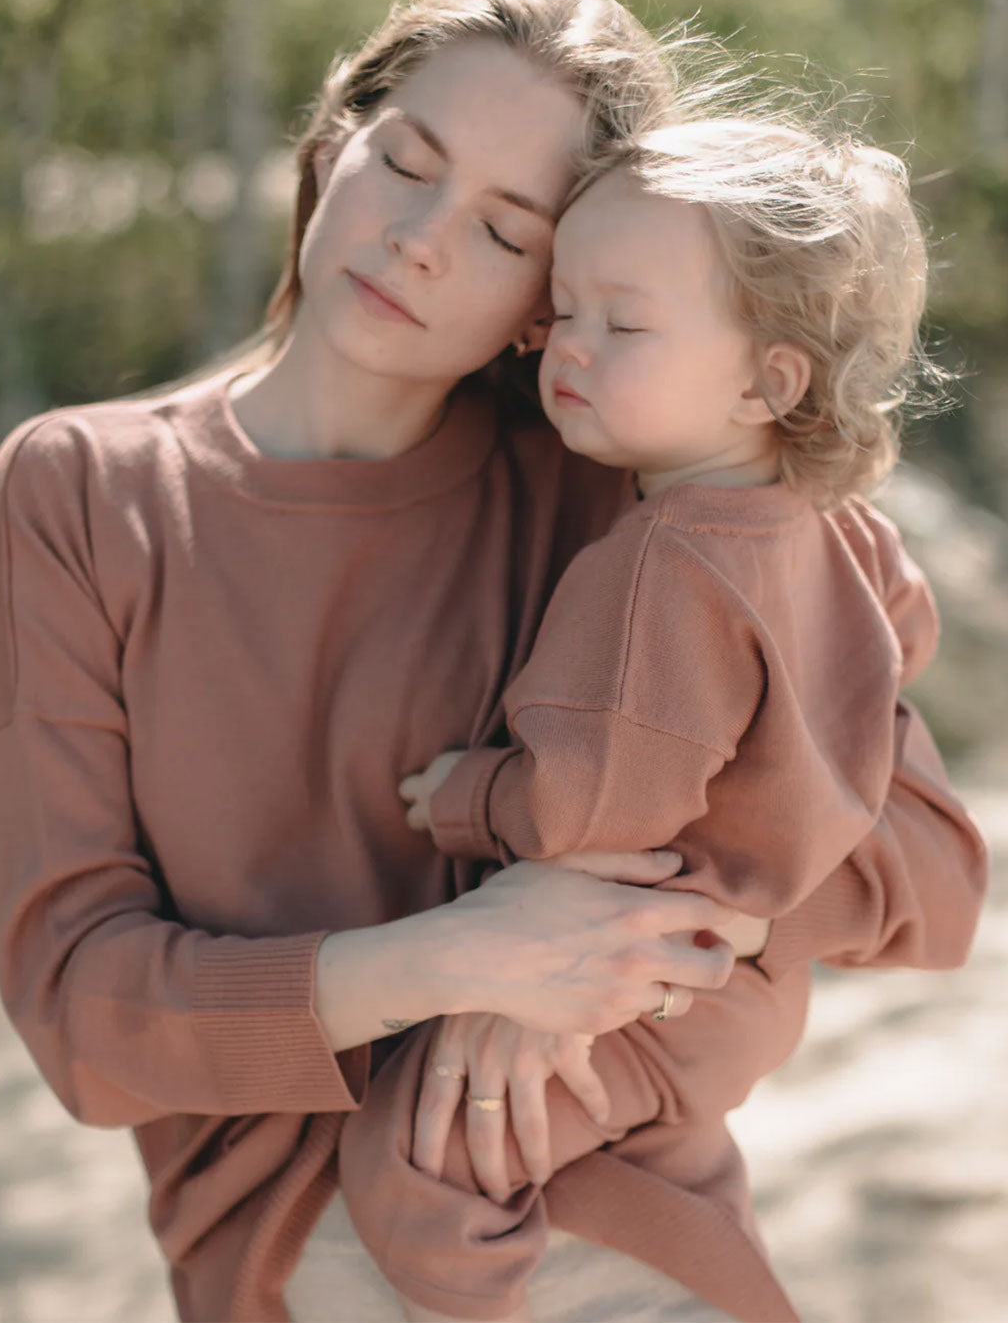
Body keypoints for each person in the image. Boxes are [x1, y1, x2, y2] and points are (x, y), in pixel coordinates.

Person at [0, 0, 986, 1323]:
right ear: (333, 140)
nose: (420, 239)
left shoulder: (630, 487)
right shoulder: (80, 497)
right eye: (406, 161)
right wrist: (466, 954)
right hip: (310, 1234)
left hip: (633, 1211)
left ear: (550, 299)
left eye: (506, 229)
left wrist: (611, 938)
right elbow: (86, 1010)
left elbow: (921, 867)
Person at [336, 112, 972, 1323]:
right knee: (621, 1156)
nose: (567, 347)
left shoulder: (656, 569)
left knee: (418, 1159)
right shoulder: (831, 523)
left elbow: (586, 804)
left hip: (631, 971)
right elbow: (902, 636)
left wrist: (469, 792)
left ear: (767, 379)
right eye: (562, 308)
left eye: (622, 325)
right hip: (743, 987)